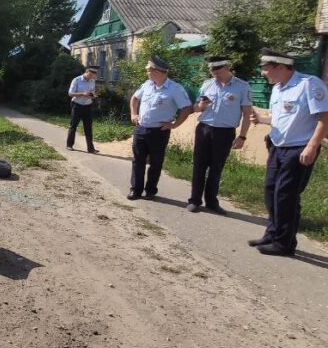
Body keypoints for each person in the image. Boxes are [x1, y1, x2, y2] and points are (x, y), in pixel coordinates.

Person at [247, 48, 328, 256]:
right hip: (277, 146)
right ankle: (272, 233)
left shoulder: (308, 85)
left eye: (265, 69)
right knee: (270, 190)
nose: (263, 73)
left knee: (286, 195)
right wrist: (262, 120)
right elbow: (280, 117)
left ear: (280, 66)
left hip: (299, 148)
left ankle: (284, 243)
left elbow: (324, 118)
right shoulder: (279, 88)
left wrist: (312, 146)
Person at [186, 56, 253, 214]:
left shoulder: (242, 87)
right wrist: (200, 106)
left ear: (226, 67)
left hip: (225, 132)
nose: (213, 73)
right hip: (204, 129)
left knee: (216, 168)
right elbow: (196, 107)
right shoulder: (207, 84)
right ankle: (195, 200)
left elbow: (247, 113)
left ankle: (211, 202)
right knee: (199, 166)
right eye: (211, 70)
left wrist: (242, 136)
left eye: (217, 69)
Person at [128, 55, 193, 200]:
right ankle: (135, 190)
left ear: (157, 71)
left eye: (148, 69)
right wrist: (133, 113)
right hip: (141, 128)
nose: (146, 72)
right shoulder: (147, 85)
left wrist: (175, 124)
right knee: (137, 161)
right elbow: (134, 98)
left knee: (156, 162)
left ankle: (150, 190)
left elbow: (186, 108)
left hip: (159, 131)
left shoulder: (175, 89)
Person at [67, 65, 100, 153]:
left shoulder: (92, 81)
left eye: (94, 75)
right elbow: (70, 93)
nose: (92, 76)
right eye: (91, 74)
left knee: (88, 127)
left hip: (88, 105)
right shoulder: (76, 80)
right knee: (73, 126)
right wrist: (83, 94)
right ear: (86, 71)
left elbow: (92, 91)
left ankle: (91, 149)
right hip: (77, 105)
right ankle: (69, 145)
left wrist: (93, 96)